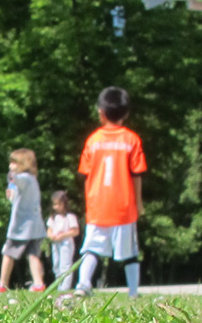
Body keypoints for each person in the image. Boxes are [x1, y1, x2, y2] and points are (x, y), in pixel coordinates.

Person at [73, 86, 147, 299]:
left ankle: (83, 284)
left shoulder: (93, 140)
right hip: (123, 205)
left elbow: (86, 174)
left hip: (98, 204)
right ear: (126, 114)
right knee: (130, 252)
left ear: (101, 112)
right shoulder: (131, 140)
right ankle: (133, 292)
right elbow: (137, 174)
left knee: (91, 248)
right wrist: (138, 203)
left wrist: (88, 203)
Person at [0, 148, 48, 292]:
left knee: (8, 253)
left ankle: (2, 283)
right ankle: (39, 284)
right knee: (33, 255)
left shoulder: (24, 178)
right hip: (35, 226)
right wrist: (12, 195)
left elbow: (15, 179)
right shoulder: (32, 180)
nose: (10, 166)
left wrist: (12, 177)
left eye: (13, 162)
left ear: (23, 164)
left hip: (22, 227)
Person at [46, 191, 80, 291]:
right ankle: (59, 285)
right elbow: (49, 229)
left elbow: (75, 231)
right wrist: (51, 235)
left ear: (65, 204)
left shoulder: (69, 217)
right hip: (55, 243)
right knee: (56, 265)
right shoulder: (53, 217)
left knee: (65, 265)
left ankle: (65, 287)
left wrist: (63, 235)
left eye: (59, 204)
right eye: (54, 204)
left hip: (66, 243)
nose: (56, 207)